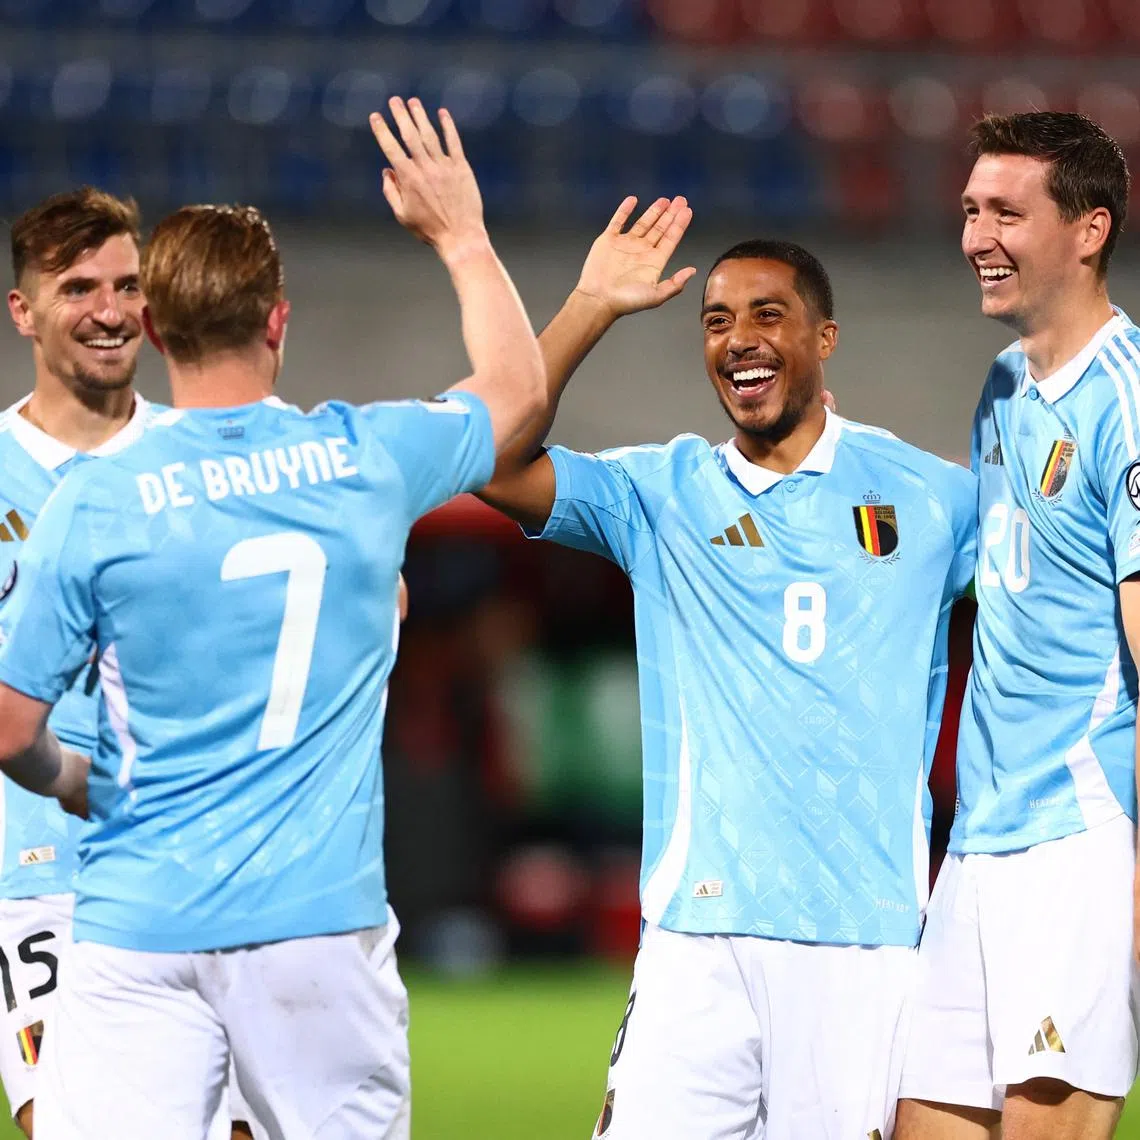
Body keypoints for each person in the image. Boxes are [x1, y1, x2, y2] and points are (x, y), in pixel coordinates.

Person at [0, 96, 543, 1140]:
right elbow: (517, 390)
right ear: (279, 320)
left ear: (153, 327)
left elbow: (13, 728)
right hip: (314, 921)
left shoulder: (98, 500)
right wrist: (463, 238)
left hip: (137, 914)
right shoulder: (359, 458)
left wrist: (79, 782)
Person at [478, 197, 978, 1139]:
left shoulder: (935, 497)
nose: (739, 338)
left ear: (825, 337)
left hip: (863, 944)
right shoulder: (661, 493)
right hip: (696, 942)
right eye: (716, 321)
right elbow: (491, 458)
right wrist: (591, 304)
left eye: (767, 314)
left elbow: (1055, 585)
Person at [896, 113, 1140, 1140]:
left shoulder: (1127, 401)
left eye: (1006, 212)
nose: (977, 237)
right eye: (969, 211)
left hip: (1082, 838)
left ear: (1090, 229)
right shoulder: (1005, 384)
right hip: (982, 838)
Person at [0, 187, 261, 1140]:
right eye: (78, 288)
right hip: (34, 877)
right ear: (24, 311)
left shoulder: (208, 459)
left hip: (205, 868)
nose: (109, 311)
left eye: (126, 286)